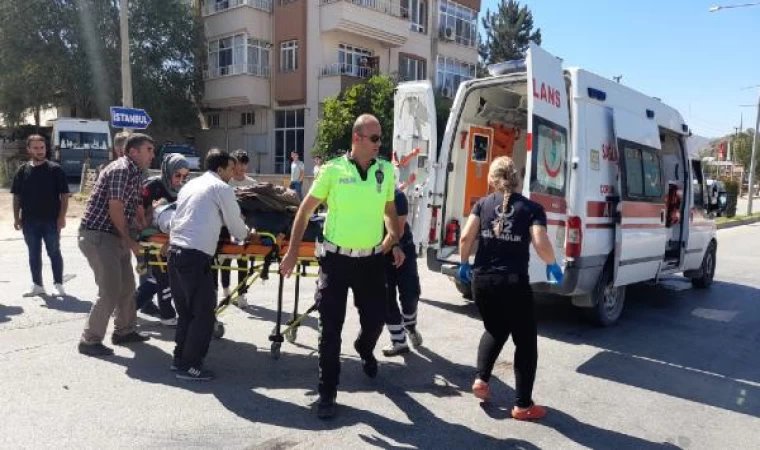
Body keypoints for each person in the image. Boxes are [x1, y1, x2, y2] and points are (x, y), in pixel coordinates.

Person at [280, 114, 405, 419]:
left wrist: (394, 237)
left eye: (380, 138)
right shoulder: (332, 170)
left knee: (376, 320)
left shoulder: (385, 170)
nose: (379, 144)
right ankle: (327, 393)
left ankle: (364, 347)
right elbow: (304, 211)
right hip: (335, 261)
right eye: (374, 138)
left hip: (372, 261)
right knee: (330, 329)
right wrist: (293, 251)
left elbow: (389, 209)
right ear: (357, 138)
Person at [457, 156, 563, 421]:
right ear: (517, 179)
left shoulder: (482, 204)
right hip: (513, 284)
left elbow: (466, 237)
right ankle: (523, 406)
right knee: (525, 343)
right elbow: (540, 241)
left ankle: (481, 380)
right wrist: (552, 264)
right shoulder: (532, 208)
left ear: (492, 179)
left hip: (482, 281)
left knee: (495, 329)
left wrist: (464, 263)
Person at [167, 149, 253, 381]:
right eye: (230, 168)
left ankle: (179, 360)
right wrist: (249, 233)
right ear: (220, 169)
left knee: (186, 313)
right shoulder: (221, 188)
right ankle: (191, 366)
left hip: (175, 253)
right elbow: (236, 227)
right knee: (204, 315)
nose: (233, 173)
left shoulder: (190, 185)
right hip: (194, 256)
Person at [78, 133, 155, 357]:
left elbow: (133, 205)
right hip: (99, 236)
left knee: (128, 287)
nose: (152, 155)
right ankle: (89, 340)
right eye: (149, 150)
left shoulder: (136, 172)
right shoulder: (121, 169)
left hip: (115, 236)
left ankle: (125, 331)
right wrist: (130, 241)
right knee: (110, 290)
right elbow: (115, 208)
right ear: (133, 151)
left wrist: (141, 217)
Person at [11, 134, 70, 298]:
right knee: (33, 254)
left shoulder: (55, 170)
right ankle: (37, 285)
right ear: (29, 149)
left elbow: (64, 195)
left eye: (42, 147)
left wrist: (62, 217)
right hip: (29, 222)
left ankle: (58, 284)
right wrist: (16, 217)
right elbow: (16, 196)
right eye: (36, 148)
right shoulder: (22, 171)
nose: (40, 151)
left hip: (51, 221)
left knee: (54, 252)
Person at [134, 153, 190, 325]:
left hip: (171, 239)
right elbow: (137, 215)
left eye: (185, 176)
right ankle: (166, 314)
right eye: (177, 175)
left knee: (160, 276)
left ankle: (130, 307)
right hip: (151, 237)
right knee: (162, 275)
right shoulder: (152, 186)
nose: (181, 180)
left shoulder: (185, 189)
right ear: (168, 171)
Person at [382, 186, 423, 357]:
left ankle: (410, 327)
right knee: (386, 298)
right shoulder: (366, 195)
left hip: (403, 249)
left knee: (410, 294)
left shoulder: (398, 197)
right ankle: (398, 341)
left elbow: (397, 232)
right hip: (381, 255)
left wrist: (375, 255)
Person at [218, 149, 257, 309]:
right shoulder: (225, 183)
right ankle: (226, 291)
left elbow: (256, 208)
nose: (241, 168)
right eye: (238, 165)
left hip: (244, 225)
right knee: (225, 259)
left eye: (244, 165)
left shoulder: (252, 183)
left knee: (243, 260)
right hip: (225, 226)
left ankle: (241, 294)